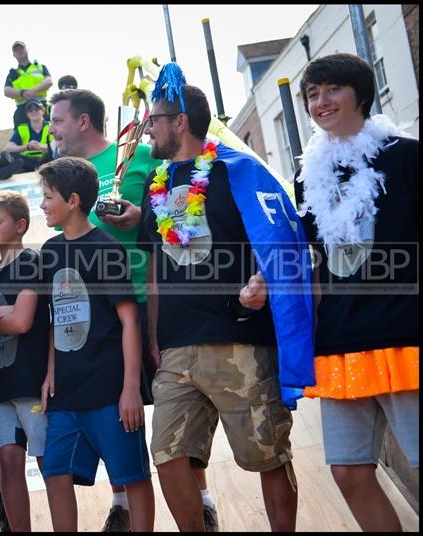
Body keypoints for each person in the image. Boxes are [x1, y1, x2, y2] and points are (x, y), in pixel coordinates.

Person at [137, 63, 314, 532]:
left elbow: (277, 240)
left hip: (240, 341)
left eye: (155, 119)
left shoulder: (237, 172)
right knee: (169, 456)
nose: (148, 127)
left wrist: (261, 284)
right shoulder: (155, 186)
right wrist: (156, 337)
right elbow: (155, 267)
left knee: (268, 456)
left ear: (180, 122)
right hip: (176, 350)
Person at [48, 88, 219, 532]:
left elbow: (177, 206)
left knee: (169, 409)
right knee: (113, 412)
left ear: (83, 122)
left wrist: (139, 213)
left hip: (150, 300)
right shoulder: (69, 175)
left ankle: (201, 499)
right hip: (99, 315)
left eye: (58, 121)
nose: (52, 129)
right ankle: (121, 501)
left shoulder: (143, 155)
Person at [296, 53, 419, 532]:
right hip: (342, 338)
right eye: (312, 94)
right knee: (348, 471)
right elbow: (310, 256)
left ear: (361, 95)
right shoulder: (309, 176)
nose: (321, 102)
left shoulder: (407, 157)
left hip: (406, 334)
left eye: (332, 90)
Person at [37, 157, 156, 532]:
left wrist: (132, 388)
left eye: (48, 197)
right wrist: (50, 373)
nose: (42, 204)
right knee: (55, 474)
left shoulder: (104, 247)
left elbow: (129, 319)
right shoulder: (50, 251)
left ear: (73, 200)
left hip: (109, 388)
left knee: (132, 476)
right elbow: (56, 317)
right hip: (66, 392)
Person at [0, 191, 51, 531]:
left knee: (50, 464)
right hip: (0, 388)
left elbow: (23, 322)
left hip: (32, 382)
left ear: (20, 225)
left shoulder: (32, 262)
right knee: (8, 464)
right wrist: (0, 312)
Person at [3, 41, 53, 128]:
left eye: (21, 48)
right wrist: (22, 93)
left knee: (48, 132)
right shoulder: (13, 73)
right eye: (16, 50)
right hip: (22, 109)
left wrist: (34, 90)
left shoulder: (40, 67)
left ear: (27, 49)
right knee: (21, 137)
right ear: (13, 54)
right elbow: (6, 91)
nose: (19, 51)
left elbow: (49, 81)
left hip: (41, 106)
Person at [3, 99, 54, 172]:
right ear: (27, 114)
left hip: (48, 161)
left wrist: (40, 146)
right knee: (11, 155)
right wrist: (27, 147)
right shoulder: (22, 128)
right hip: (28, 161)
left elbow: (59, 145)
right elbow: (8, 148)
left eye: (36, 109)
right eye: (30, 110)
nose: (33, 111)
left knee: (56, 153)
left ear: (43, 110)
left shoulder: (51, 125)